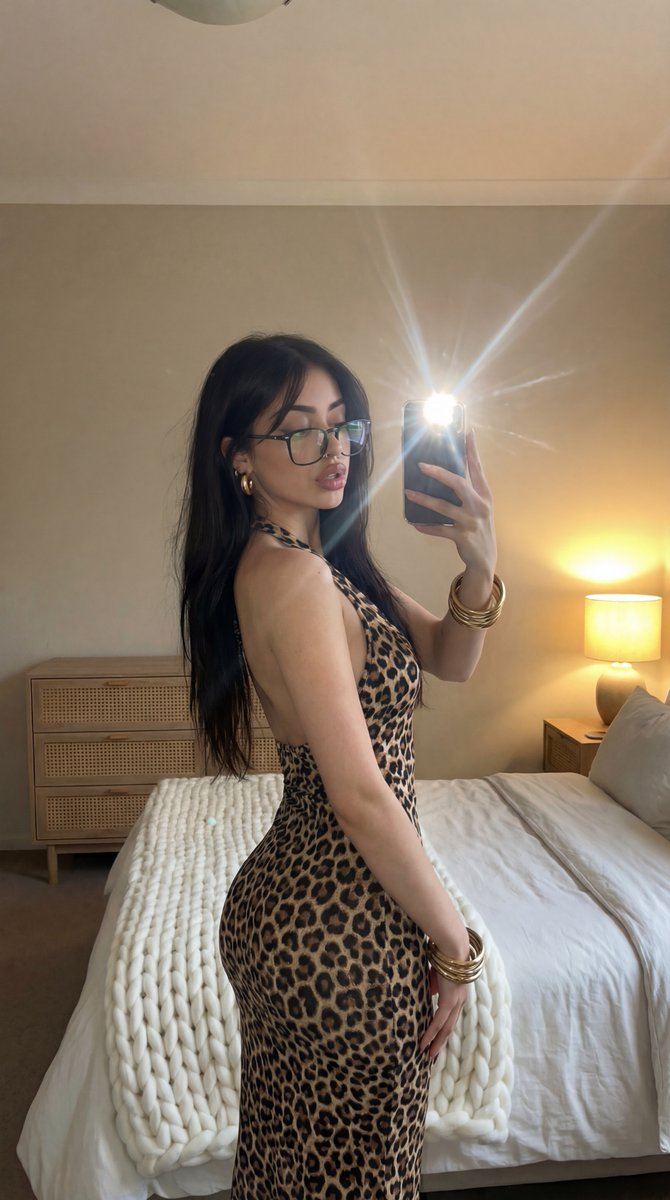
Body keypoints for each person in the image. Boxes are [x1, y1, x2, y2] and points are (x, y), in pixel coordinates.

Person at [175, 332, 502, 1199]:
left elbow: (451, 657)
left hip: (302, 910)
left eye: (342, 423)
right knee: (360, 1176)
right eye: (298, 430)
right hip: (342, 927)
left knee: (291, 1163)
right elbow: (358, 795)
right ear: (239, 457)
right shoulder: (295, 580)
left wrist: (482, 565)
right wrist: (457, 943)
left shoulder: (319, 564)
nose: (333, 449)